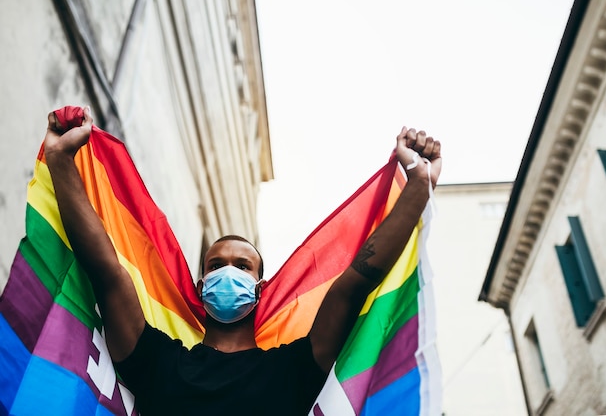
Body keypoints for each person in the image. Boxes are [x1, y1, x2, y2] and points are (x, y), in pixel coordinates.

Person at [44, 106, 442, 415]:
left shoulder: (294, 369)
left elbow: (356, 280)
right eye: (215, 266)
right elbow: (107, 271)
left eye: (242, 265)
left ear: (259, 288)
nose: (228, 272)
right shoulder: (158, 362)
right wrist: (61, 161)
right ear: (201, 288)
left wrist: (418, 185)